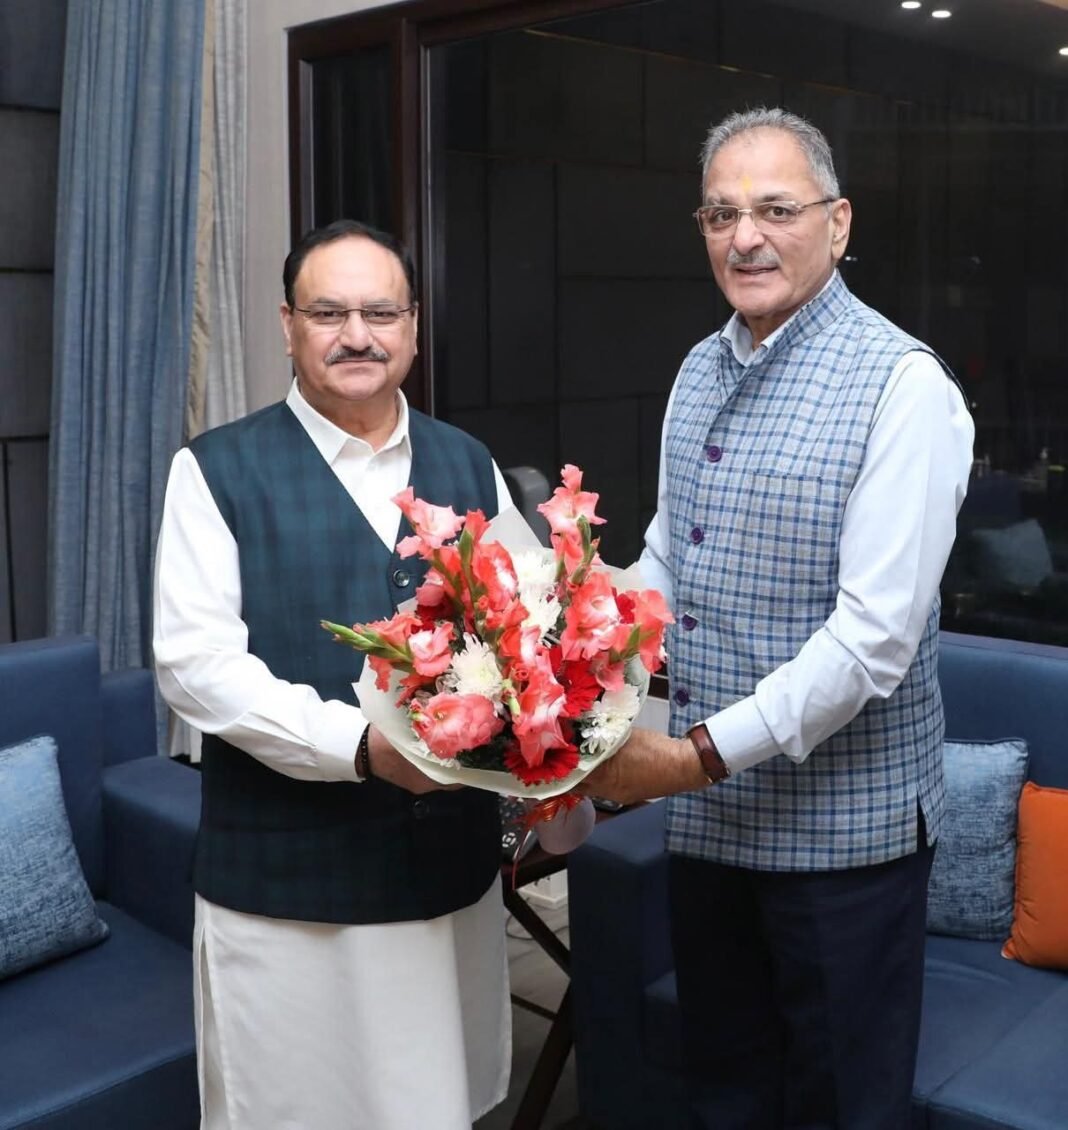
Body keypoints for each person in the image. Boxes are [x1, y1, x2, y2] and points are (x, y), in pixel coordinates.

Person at [578, 108, 974, 1129]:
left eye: (776, 209)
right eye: (721, 214)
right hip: (717, 827)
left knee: (841, 1107)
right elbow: (672, 557)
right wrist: (569, 631)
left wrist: (690, 758)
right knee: (727, 1091)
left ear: (838, 224)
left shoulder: (903, 385)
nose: (745, 236)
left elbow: (872, 641)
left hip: (846, 842)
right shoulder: (698, 368)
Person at [153, 219, 515, 1129]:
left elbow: (522, 632)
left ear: (414, 326)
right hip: (289, 898)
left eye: (381, 312)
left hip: (448, 885)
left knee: (437, 1102)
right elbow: (195, 666)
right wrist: (361, 749)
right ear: (288, 326)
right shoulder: (215, 470)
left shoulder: (469, 462)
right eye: (328, 313)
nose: (358, 335)